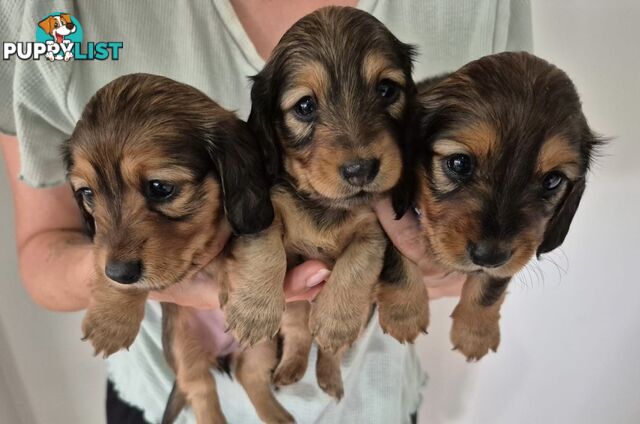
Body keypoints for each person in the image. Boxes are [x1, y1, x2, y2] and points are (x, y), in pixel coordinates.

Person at [0, 1, 531, 422]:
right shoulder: (41, 16)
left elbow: (513, 190)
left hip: (372, 398)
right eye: (304, 107)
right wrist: (130, 288)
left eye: (388, 91)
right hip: (158, 381)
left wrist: (434, 274)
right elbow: (44, 251)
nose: (355, 157)